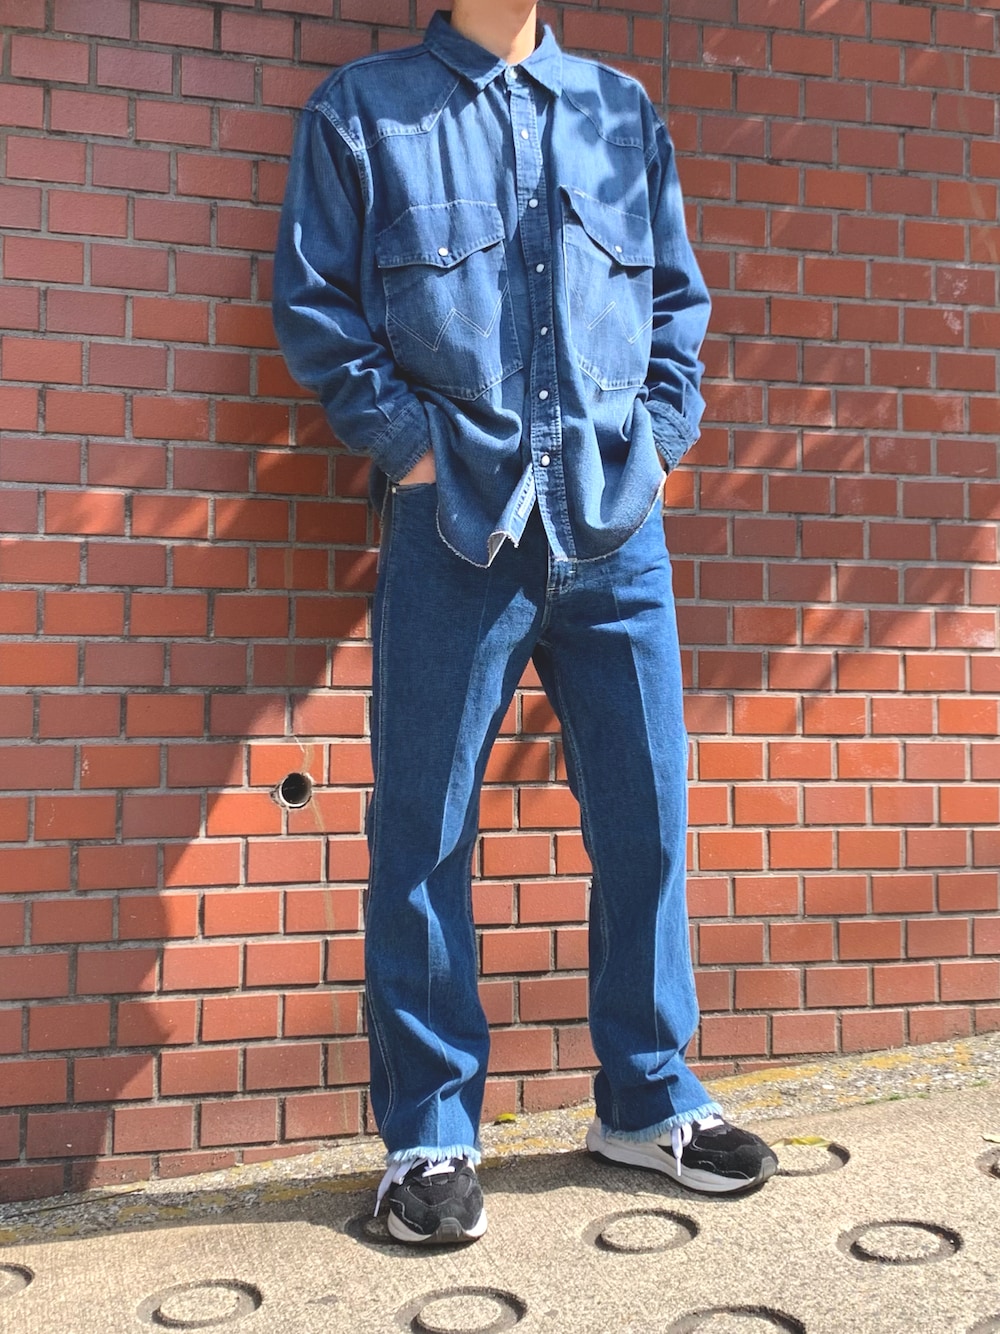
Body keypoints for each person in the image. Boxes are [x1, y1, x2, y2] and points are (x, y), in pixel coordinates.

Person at [272, 1, 778, 1245]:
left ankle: (648, 1095)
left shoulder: (620, 112)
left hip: (615, 527)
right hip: (457, 530)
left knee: (647, 815)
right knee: (424, 829)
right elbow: (316, 303)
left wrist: (660, 439)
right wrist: (410, 450)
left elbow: (675, 300)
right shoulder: (365, 113)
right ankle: (430, 1133)